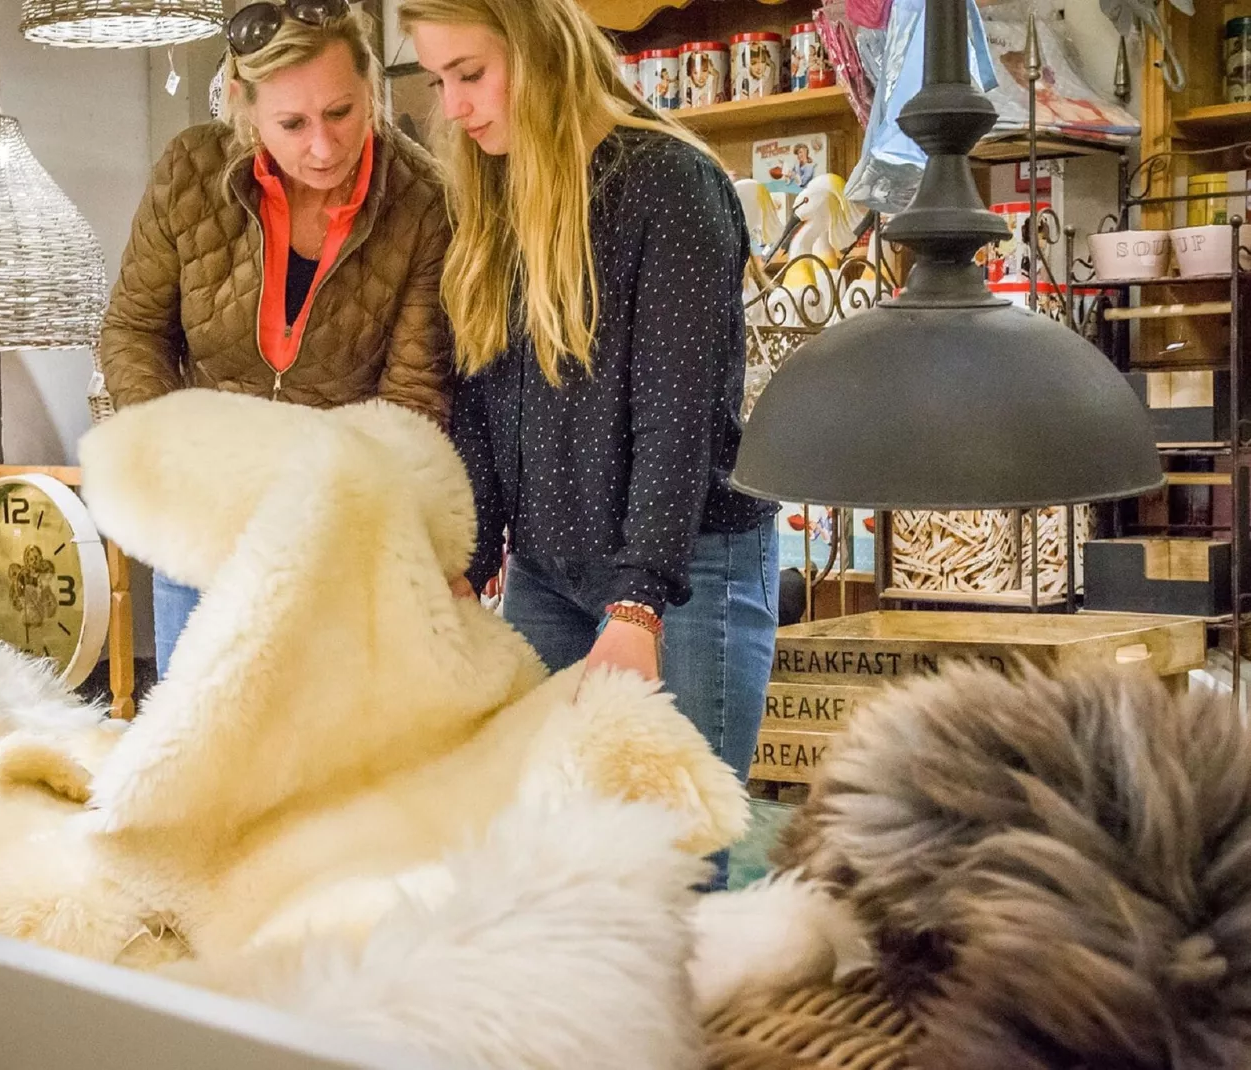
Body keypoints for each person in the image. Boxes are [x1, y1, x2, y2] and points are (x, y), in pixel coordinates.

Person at [402, 0, 780, 889]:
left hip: (688, 569)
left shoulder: (672, 187)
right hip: (553, 571)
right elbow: (489, 396)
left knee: (674, 868)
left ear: (537, 47)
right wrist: (476, 550)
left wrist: (638, 607)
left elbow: (676, 421)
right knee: (545, 854)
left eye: (471, 74)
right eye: (438, 79)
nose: (453, 107)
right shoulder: (498, 191)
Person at [99, 0, 453, 679]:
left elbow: (413, 392)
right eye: (292, 123)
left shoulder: (421, 200)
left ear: (371, 88)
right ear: (244, 104)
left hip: (334, 538)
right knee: (197, 751)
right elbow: (134, 329)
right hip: (203, 524)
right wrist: (175, 459)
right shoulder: (189, 173)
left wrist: (334, 516)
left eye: (342, 113)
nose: (322, 147)